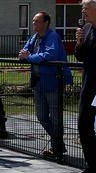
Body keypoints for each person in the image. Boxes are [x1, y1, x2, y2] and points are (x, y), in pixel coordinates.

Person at [19, 12, 71, 163]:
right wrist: (24, 55)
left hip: (52, 82)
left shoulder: (52, 37)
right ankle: (58, 145)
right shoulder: (34, 37)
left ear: (46, 23)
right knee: (41, 116)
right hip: (38, 82)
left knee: (55, 118)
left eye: (36, 21)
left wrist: (29, 57)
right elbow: (24, 51)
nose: (33, 24)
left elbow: (49, 55)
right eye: (33, 21)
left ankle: (57, 148)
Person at [72, 0, 96, 173]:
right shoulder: (86, 29)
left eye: (86, 8)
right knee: (84, 125)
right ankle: (93, 167)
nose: (83, 12)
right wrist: (79, 42)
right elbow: (79, 56)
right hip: (89, 85)